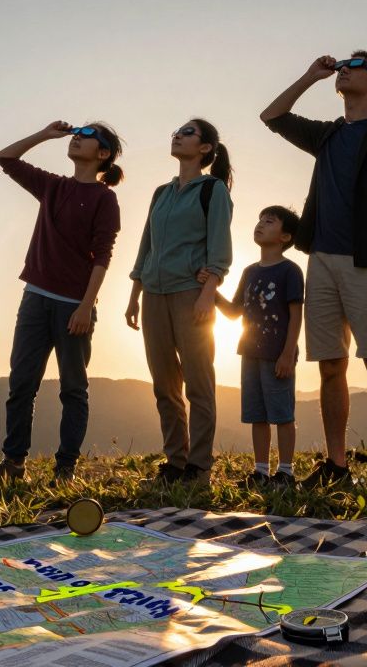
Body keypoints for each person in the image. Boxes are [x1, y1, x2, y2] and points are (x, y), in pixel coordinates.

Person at [260, 51, 367, 491]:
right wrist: (310, 75)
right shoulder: (327, 134)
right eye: (342, 64)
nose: (344, 67)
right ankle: (337, 465)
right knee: (330, 365)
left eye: (356, 64)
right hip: (322, 260)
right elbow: (272, 116)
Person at [0, 120, 123, 487]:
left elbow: (103, 256)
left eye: (87, 135)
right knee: (21, 384)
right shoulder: (53, 186)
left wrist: (86, 306)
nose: (77, 138)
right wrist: (44, 135)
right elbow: (5, 158)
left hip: (74, 306)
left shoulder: (105, 199)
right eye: (77, 133)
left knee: (73, 389)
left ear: (103, 153)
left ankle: (65, 469)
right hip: (35, 298)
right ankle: (13, 463)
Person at [126, 119, 234, 486]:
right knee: (164, 384)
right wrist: (134, 295)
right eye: (177, 131)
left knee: (198, 382)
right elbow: (146, 244)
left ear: (205, 148)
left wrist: (208, 294)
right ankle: (175, 462)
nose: (177, 135)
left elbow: (220, 246)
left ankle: (198, 467)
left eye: (187, 132)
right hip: (153, 295)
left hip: (191, 293)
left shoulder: (213, 190)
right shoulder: (161, 193)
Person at [210, 206, 304, 489]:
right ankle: (261, 472)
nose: (260, 224)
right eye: (260, 219)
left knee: (282, 414)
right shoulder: (249, 272)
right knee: (257, 414)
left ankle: (285, 472)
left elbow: (296, 316)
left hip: (277, 354)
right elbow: (234, 312)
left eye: (269, 221)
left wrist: (288, 353)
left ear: (285, 236)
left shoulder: (290, 271)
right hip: (249, 352)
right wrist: (211, 291)